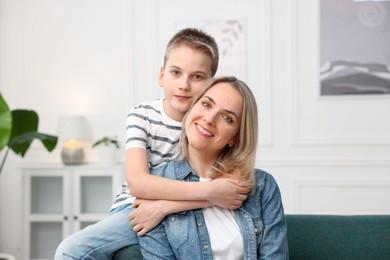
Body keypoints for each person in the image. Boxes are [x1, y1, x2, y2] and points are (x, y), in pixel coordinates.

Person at [55, 28, 249, 259]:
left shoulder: (208, 126)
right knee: (71, 250)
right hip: (135, 206)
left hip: (191, 208)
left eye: (197, 77)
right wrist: (209, 192)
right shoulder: (142, 115)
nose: (184, 85)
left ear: (210, 84)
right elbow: (138, 183)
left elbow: (229, 189)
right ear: (162, 75)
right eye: (176, 72)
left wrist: (167, 206)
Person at [129, 76, 289, 259]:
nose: (210, 119)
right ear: (192, 108)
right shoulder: (155, 189)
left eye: (227, 118)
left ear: (234, 138)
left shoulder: (262, 186)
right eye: (206, 104)